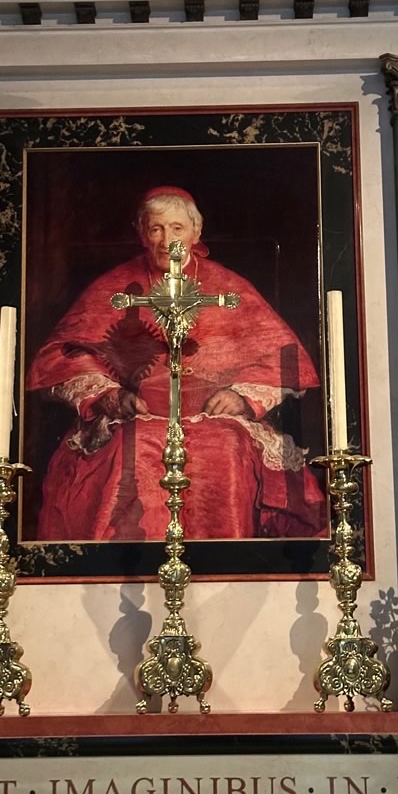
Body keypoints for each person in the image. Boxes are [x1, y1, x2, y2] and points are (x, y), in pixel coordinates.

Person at [26, 186, 327, 541]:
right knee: (132, 450)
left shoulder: (228, 288)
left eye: (177, 228)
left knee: (227, 450)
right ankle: (133, 571)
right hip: (136, 419)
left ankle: (223, 568)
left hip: (218, 421)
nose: (167, 239)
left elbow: (281, 354)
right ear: (142, 233)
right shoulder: (115, 287)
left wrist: (242, 397)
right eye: (156, 229)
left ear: (196, 232)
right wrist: (108, 394)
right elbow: (63, 352)